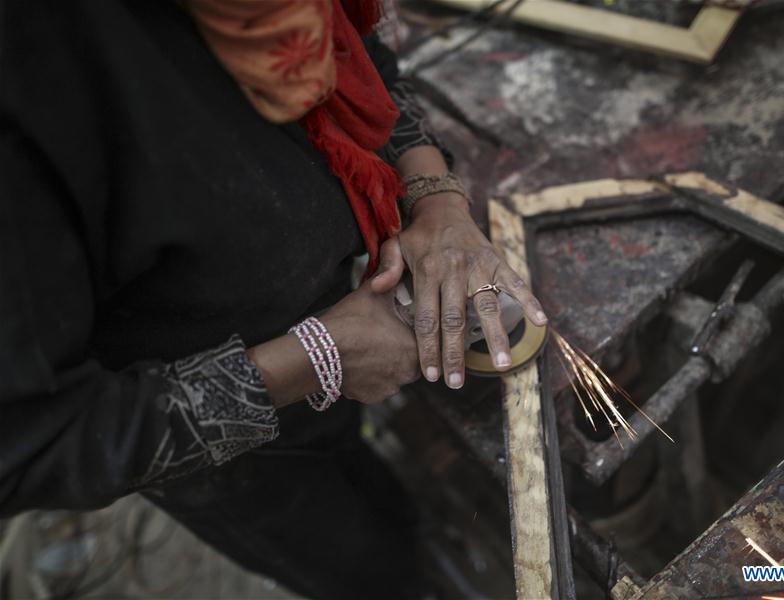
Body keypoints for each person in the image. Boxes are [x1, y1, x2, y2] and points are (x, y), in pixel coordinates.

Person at [0, 0, 547, 597]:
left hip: (331, 322)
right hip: (213, 450)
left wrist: (436, 199)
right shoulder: (28, 86)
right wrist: (317, 357)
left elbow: (359, 59)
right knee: (359, 564)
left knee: (383, 498)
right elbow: (32, 445)